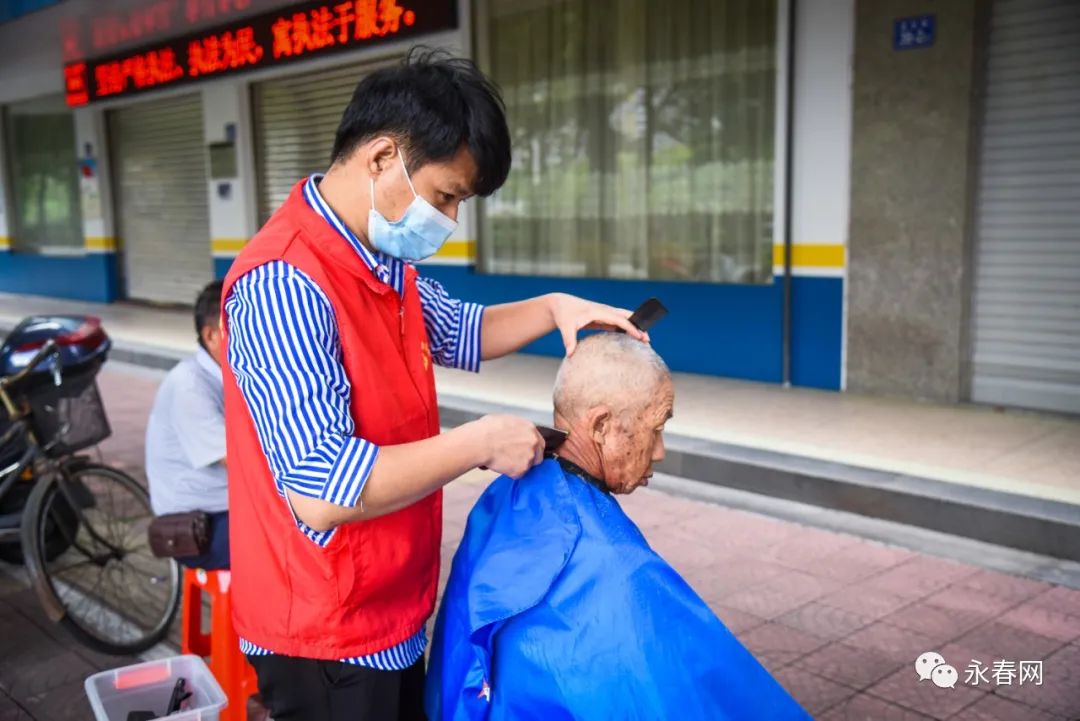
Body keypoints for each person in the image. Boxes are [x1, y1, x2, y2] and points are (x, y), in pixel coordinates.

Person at [219, 48, 648, 721]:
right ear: (384, 157)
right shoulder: (284, 283)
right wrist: (477, 442)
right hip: (327, 630)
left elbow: (464, 329)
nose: (448, 219)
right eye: (446, 194)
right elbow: (322, 489)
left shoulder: (384, 264)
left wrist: (556, 307)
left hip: (389, 606)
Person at [425, 333, 811, 721]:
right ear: (601, 426)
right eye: (656, 428)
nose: (659, 451)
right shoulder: (614, 565)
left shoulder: (504, 495)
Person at [146, 280, 229, 570]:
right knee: (300, 539)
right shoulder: (190, 386)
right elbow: (240, 461)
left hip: (225, 510)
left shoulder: (231, 375)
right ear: (211, 336)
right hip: (200, 527)